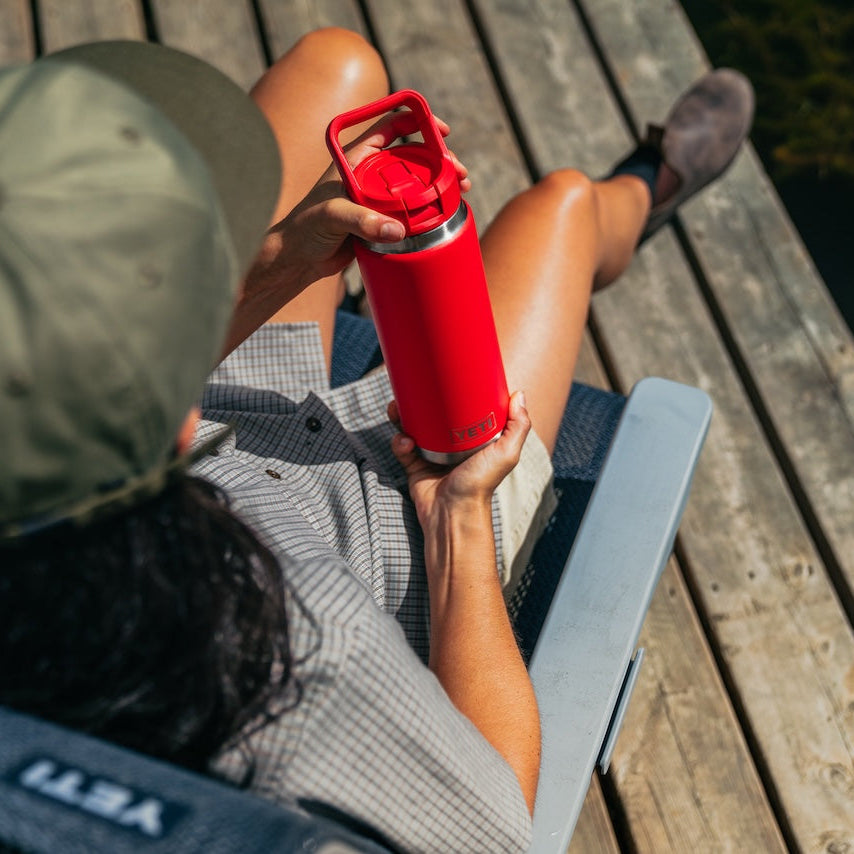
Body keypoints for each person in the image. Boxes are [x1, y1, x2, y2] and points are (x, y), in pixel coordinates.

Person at [0, 31, 753, 854]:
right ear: (163, 411)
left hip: (222, 431)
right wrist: (460, 523)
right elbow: (494, 832)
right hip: (408, 515)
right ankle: (646, 190)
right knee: (561, 207)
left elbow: (124, 392)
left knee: (336, 65)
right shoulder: (299, 657)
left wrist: (284, 258)